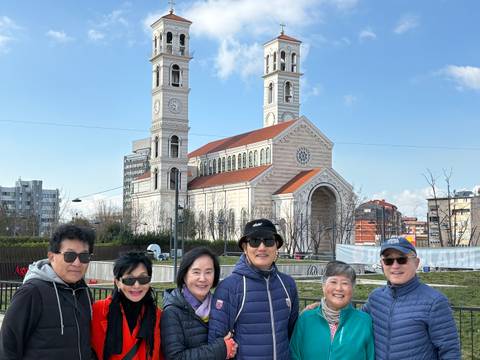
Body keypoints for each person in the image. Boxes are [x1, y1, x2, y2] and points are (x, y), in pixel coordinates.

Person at [0, 224, 95, 359]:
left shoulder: (84, 292)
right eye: (70, 255)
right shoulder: (31, 293)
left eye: (84, 256)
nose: (77, 263)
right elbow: (7, 348)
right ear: (51, 257)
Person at [208, 218, 299, 360]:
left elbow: (293, 334)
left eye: (268, 241)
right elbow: (217, 343)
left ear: (276, 246)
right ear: (245, 248)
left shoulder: (288, 284)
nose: (262, 247)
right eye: (255, 241)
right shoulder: (229, 287)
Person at [363, 237, 461, 359]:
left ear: (416, 263)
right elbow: (354, 325)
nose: (395, 266)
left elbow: (450, 351)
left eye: (402, 259)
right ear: (382, 265)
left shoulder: (434, 302)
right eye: (388, 261)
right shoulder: (375, 298)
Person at [161, 247, 237, 359]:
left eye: (208, 272)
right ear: (184, 275)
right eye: (196, 272)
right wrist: (221, 349)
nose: (203, 278)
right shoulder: (172, 312)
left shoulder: (220, 306)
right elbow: (175, 357)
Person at [290, 260, 374, 360]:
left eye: (345, 283)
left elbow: (370, 356)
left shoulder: (364, 321)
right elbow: (294, 355)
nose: (339, 288)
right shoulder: (306, 319)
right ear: (323, 286)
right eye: (333, 282)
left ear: (352, 288)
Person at [91, 251, 163, 359]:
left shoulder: (157, 316)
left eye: (143, 279)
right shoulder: (97, 311)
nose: (137, 285)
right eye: (129, 280)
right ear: (117, 282)